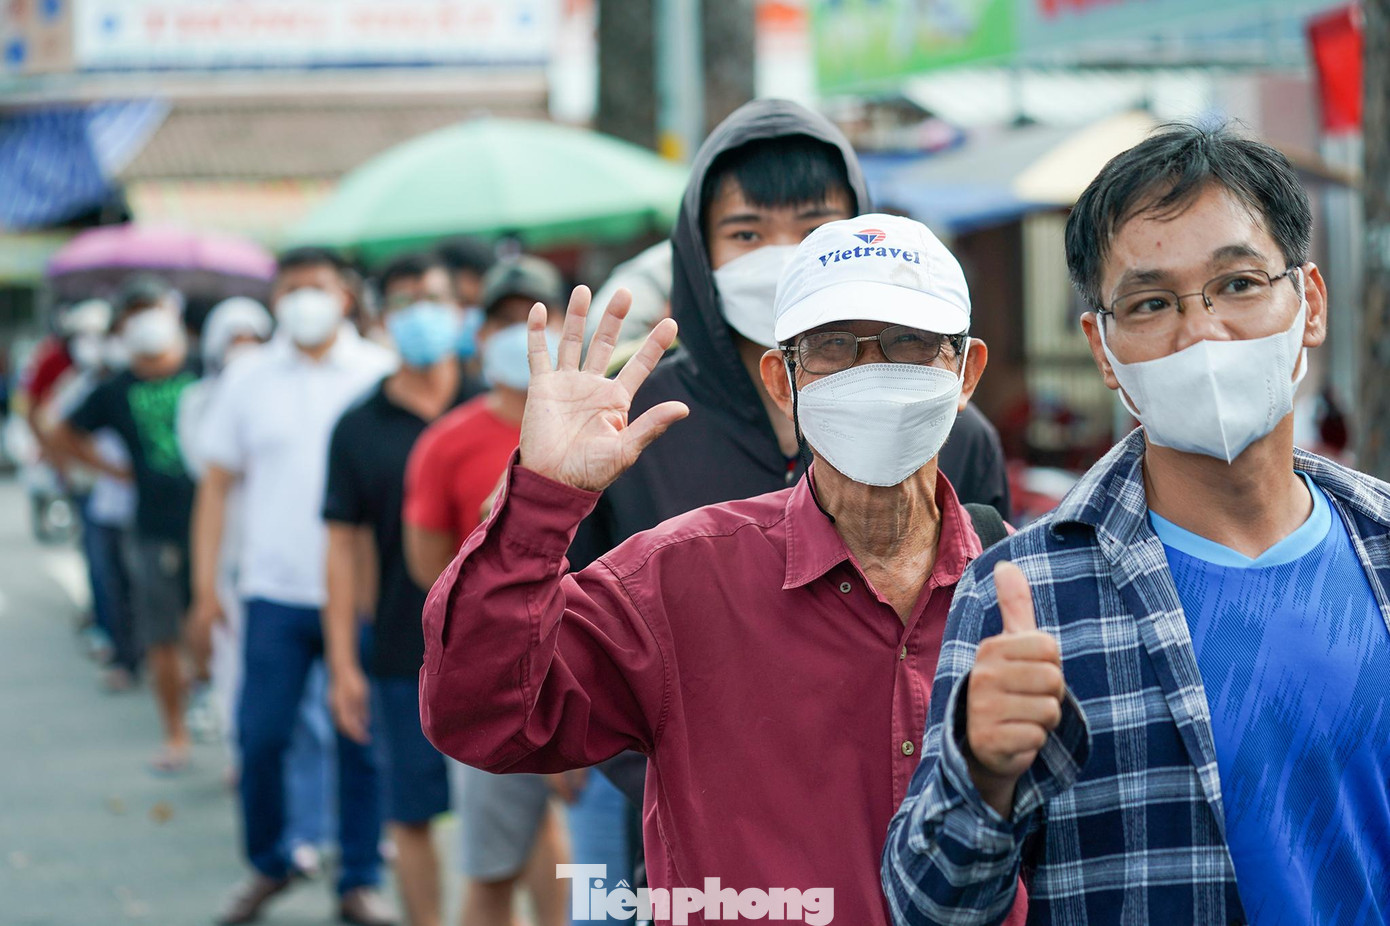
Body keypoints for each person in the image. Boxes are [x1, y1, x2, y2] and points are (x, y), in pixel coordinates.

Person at [417, 213, 1027, 926]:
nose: (873, 373)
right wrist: (542, 501)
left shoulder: (1028, 591)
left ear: (966, 372)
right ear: (781, 379)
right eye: (834, 346)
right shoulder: (676, 581)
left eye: (910, 345)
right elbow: (481, 717)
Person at [881, 124, 1390, 925]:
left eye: (1240, 284)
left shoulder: (1381, 550)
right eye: (1151, 303)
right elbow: (928, 909)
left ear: (1310, 303)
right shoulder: (1025, 596)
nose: (1204, 333)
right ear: (1104, 349)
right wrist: (980, 774)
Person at [191, 247, 397, 926]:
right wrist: (205, 586)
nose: (302, 300)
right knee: (261, 735)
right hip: (273, 589)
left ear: (345, 297)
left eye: (316, 287)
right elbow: (217, 486)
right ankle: (271, 859)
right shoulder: (248, 378)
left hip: (359, 591)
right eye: (290, 289)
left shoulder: (378, 374)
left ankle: (359, 877)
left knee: (361, 741)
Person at [401, 255, 572, 926]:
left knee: (581, 856)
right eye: (503, 319)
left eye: (534, 317)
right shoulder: (447, 443)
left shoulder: (603, 425)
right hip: (495, 678)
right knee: (492, 865)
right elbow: (428, 568)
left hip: (595, 669)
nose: (518, 333)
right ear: (479, 335)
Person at [322, 252, 481, 926]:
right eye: (406, 302)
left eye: (435, 298)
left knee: (520, 814)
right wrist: (342, 664)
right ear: (383, 321)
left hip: (499, 648)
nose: (422, 314)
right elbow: (343, 549)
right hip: (398, 649)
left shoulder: (495, 404)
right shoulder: (359, 426)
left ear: (459, 310)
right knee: (411, 813)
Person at [51, 276, 200, 771]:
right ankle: (175, 733)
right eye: (134, 314)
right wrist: (114, 471)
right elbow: (62, 431)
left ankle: (211, 703)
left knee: (209, 629)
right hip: (152, 525)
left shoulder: (205, 369)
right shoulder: (113, 388)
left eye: (151, 309)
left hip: (213, 525)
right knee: (160, 634)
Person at [177, 297, 274, 760]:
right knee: (232, 652)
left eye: (252, 337)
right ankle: (241, 748)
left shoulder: (279, 393)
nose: (244, 348)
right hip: (228, 543)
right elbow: (209, 472)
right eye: (233, 339)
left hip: (276, 546)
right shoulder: (200, 400)